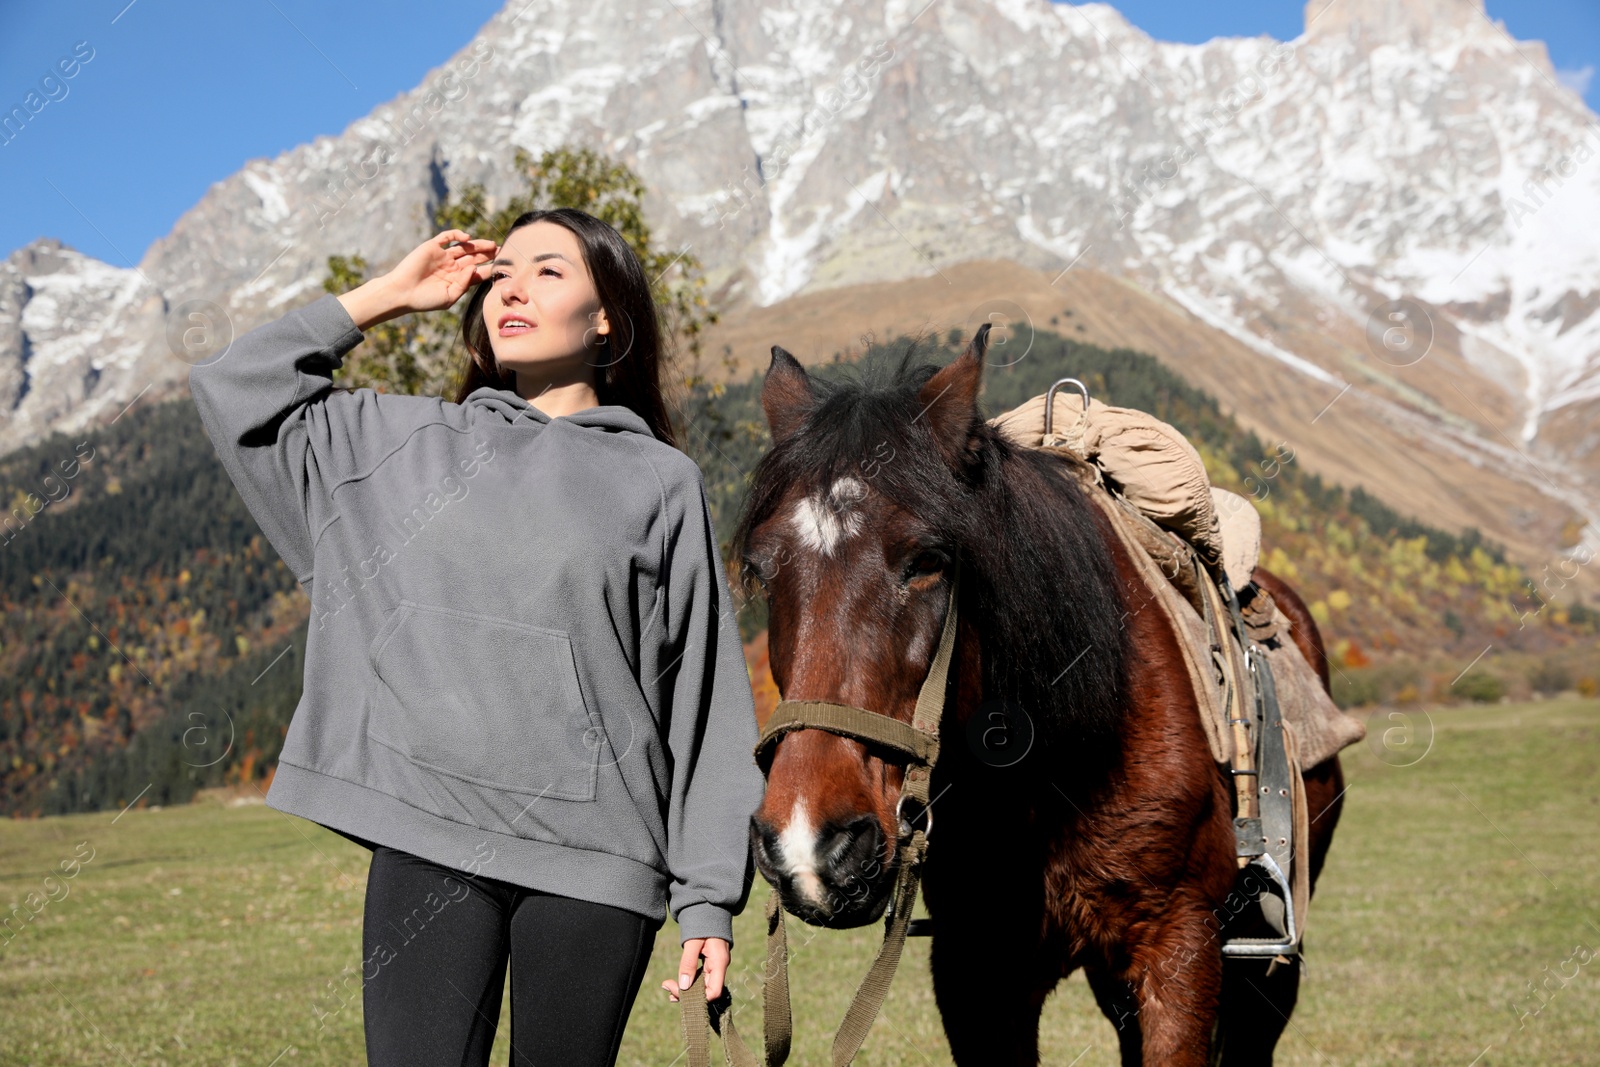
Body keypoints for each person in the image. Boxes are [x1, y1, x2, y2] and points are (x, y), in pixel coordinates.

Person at [188, 208, 766, 1066]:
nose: (513, 290)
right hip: (427, 839)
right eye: (500, 275)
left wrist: (710, 898)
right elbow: (235, 388)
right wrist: (386, 295)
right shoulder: (397, 442)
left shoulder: (659, 481)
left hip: (596, 860)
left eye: (548, 271)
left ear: (606, 314)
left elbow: (706, 702)